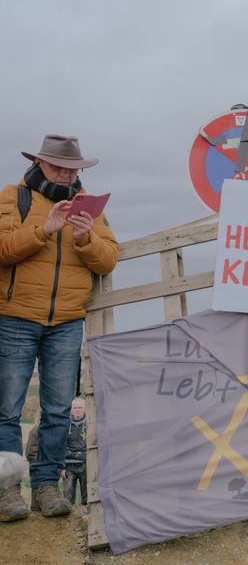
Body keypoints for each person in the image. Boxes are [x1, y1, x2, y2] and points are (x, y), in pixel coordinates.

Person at [0, 135, 118, 522]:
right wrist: (43, 230)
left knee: (58, 410)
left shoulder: (91, 208)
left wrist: (85, 239)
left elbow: (108, 259)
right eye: (58, 167)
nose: (66, 174)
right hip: (15, 317)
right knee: (7, 409)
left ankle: (46, 487)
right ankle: (7, 490)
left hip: (67, 321)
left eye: (72, 168)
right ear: (39, 163)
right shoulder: (13, 196)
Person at [64, 398, 87, 505]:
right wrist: (61, 467)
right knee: (68, 499)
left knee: (87, 499)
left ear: (85, 409)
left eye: (80, 407)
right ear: (71, 409)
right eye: (75, 408)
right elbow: (61, 445)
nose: (77, 410)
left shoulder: (90, 423)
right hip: (69, 465)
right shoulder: (65, 424)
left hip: (85, 465)